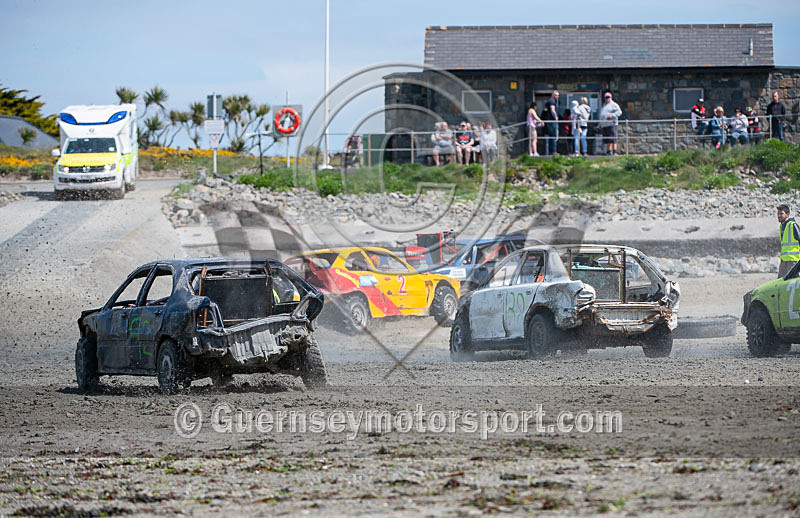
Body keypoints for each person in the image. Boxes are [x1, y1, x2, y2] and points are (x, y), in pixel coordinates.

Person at [777, 204, 800, 278]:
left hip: (793, 261)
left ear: (787, 214)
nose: (779, 215)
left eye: (781, 213)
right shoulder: (781, 227)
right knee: (780, 281)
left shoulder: (792, 225)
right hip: (784, 260)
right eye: (778, 213)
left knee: (792, 282)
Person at [598, 91, 622, 155]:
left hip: (612, 124)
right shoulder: (604, 105)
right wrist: (600, 124)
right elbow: (602, 115)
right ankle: (609, 151)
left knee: (613, 138)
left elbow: (619, 112)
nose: (607, 98)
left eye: (608, 97)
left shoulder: (614, 105)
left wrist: (611, 116)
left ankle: (614, 151)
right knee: (608, 139)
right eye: (606, 97)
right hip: (605, 125)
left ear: (611, 97)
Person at [543, 91, 560, 155]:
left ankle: (551, 151)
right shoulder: (552, 101)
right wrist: (556, 117)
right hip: (552, 122)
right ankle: (553, 151)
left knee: (552, 136)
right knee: (553, 136)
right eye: (556, 95)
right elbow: (552, 110)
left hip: (550, 122)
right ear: (553, 95)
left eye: (558, 95)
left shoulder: (552, 101)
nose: (557, 96)